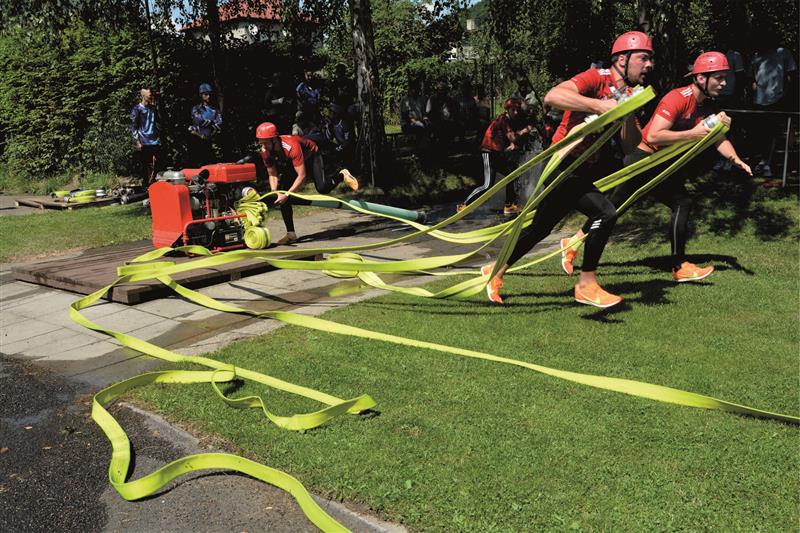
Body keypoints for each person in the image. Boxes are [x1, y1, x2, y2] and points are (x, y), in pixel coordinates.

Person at [481, 31, 655, 308]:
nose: (649, 65)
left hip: (582, 168)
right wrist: (599, 105)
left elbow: (631, 145)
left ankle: (494, 271)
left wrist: (628, 114)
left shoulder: (630, 94)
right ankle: (586, 284)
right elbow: (553, 96)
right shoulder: (596, 78)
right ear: (623, 59)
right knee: (606, 212)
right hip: (562, 165)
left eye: (650, 59)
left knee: (540, 228)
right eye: (643, 58)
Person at [562, 51, 752, 284]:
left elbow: (716, 138)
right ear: (701, 78)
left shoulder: (707, 106)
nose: (724, 83)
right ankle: (573, 245)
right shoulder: (678, 98)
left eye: (725, 78)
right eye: (719, 78)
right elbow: (654, 135)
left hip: (661, 164)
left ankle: (679, 266)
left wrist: (735, 159)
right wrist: (692, 134)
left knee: (680, 203)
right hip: (644, 160)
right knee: (613, 209)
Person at [256, 122, 359, 244]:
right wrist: (276, 192)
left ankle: (342, 175)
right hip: (294, 162)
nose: (263, 146)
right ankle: (291, 234)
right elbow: (272, 174)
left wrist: (287, 194)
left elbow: (302, 176)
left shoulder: (291, 146)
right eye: (260, 142)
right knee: (282, 192)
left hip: (312, 155)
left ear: (274, 140)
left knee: (322, 188)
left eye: (265, 142)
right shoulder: (265, 151)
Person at [458, 98, 533, 214]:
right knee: (488, 185)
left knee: (512, 174)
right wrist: (524, 131)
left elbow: (509, 140)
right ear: (508, 110)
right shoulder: (503, 119)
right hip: (489, 152)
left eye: (517, 110)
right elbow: (512, 137)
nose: (516, 113)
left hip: (497, 153)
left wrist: (512, 145)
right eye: (514, 110)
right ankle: (464, 205)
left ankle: (509, 205)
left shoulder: (507, 120)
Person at [749, 33, 797, 177]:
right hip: (759, 101)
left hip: (779, 99)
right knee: (762, 133)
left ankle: (775, 164)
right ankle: (764, 162)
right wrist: (755, 92)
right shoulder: (756, 56)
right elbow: (751, 78)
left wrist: (787, 96)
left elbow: (791, 75)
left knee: (779, 133)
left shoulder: (783, 52)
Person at [130, 88, 161, 185]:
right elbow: (134, 126)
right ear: (143, 96)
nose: (151, 97)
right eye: (149, 95)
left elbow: (158, 123)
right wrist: (137, 141)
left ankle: (155, 183)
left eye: (151, 95)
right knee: (145, 165)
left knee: (158, 163)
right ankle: (146, 186)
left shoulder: (153, 108)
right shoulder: (137, 109)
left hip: (154, 140)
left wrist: (159, 136)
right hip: (143, 140)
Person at [188, 83, 222, 166]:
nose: (208, 96)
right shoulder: (196, 109)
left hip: (210, 140)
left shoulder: (214, 110)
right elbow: (199, 121)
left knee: (210, 165)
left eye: (209, 94)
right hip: (197, 139)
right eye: (206, 94)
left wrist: (208, 123)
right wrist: (212, 122)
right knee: (197, 166)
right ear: (201, 95)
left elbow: (219, 124)